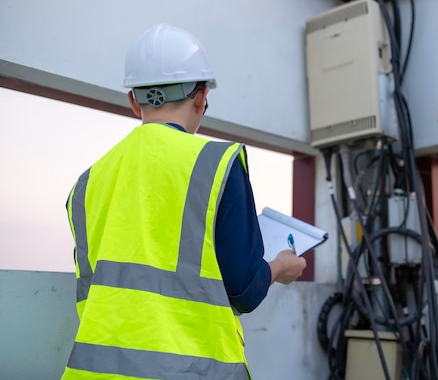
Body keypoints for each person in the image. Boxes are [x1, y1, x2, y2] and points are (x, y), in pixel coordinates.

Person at [61, 23, 307, 380]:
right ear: (201, 96)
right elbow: (244, 291)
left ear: (133, 101)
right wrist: (282, 266)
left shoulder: (87, 183)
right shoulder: (217, 163)